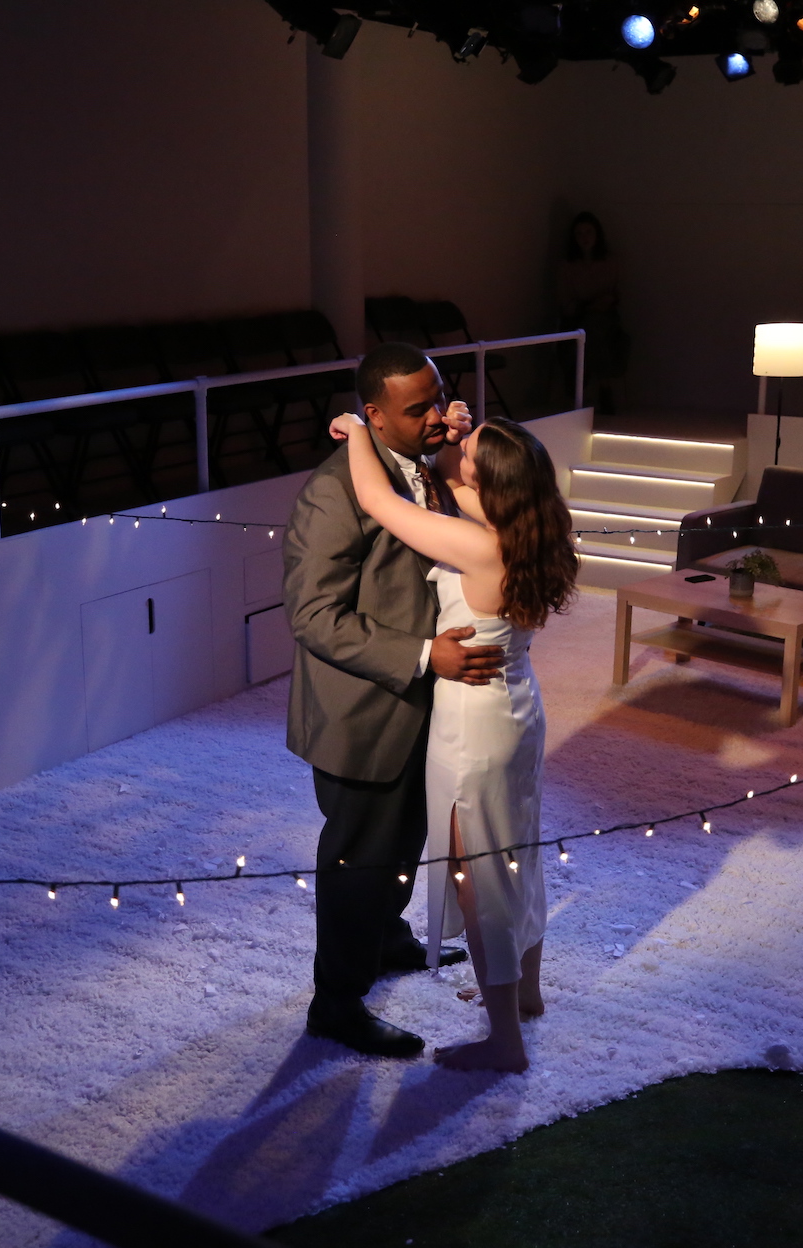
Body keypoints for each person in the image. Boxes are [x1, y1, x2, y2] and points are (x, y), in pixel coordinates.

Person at [326, 404, 577, 1073]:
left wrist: (358, 430)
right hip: (518, 711)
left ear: (488, 488)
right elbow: (448, 474)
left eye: (470, 449)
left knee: (479, 876)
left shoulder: (476, 543)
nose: (457, 445)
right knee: (518, 856)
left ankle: (505, 1044)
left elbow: (378, 498)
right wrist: (457, 430)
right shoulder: (523, 527)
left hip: (475, 726)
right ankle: (524, 996)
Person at [283, 343, 494, 1059]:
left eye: (441, 396)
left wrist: (451, 435)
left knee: (403, 841)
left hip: (422, 705)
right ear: (372, 416)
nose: (438, 414)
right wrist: (420, 655)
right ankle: (335, 1005)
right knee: (357, 861)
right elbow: (312, 616)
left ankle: (389, 939)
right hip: (362, 713)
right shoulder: (333, 491)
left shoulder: (425, 464)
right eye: (420, 408)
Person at [556, 211, 626, 414]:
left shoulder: (610, 263)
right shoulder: (566, 266)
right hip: (575, 319)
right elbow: (565, 302)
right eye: (579, 234)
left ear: (597, 235)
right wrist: (587, 307)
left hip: (605, 317)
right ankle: (602, 389)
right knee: (588, 332)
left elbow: (616, 294)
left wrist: (602, 303)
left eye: (588, 232)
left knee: (595, 329)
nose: (584, 238)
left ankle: (585, 391)